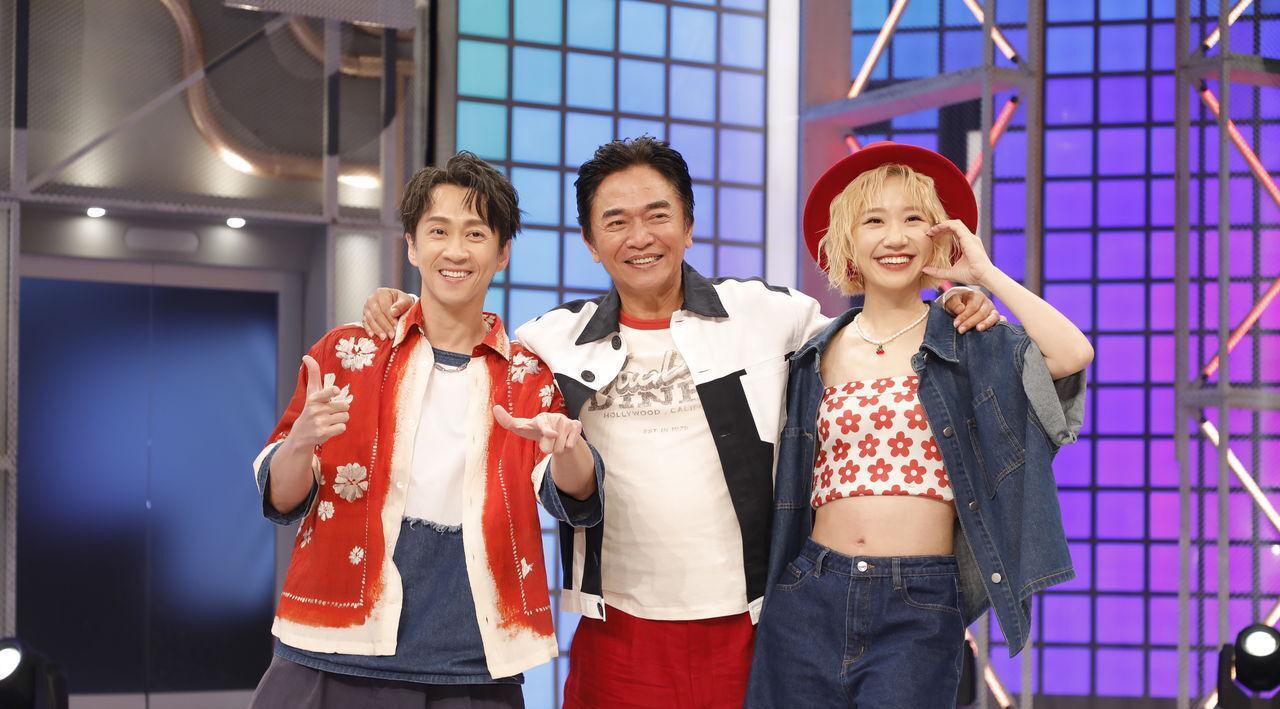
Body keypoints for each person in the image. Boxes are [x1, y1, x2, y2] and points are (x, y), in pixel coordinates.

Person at [360, 137, 1000, 708]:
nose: (639, 236)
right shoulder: (551, 339)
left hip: (756, 625)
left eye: (658, 215)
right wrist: (405, 304)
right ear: (590, 243)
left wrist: (953, 305)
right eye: (616, 222)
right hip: (617, 632)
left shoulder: (770, 314)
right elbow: (469, 341)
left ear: (688, 227)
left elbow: (879, 340)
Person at [248, 153, 604, 709]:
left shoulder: (529, 376)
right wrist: (299, 443)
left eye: (476, 233)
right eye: (438, 231)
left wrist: (569, 449)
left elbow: (576, 497)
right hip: (330, 645)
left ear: (503, 252)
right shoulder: (347, 351)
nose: (455, 250)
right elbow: (282, 499)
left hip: (473, 662)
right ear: (412, 246)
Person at [746, 142, 1093, 708]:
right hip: (811, 589)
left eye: (914, 220)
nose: (896, 237)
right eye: (874, 221)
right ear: (846, 240)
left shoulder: (968, 341)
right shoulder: (814, 352)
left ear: (939, 237)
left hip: (919, 598)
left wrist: (984, 275)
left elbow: (1072, 353)